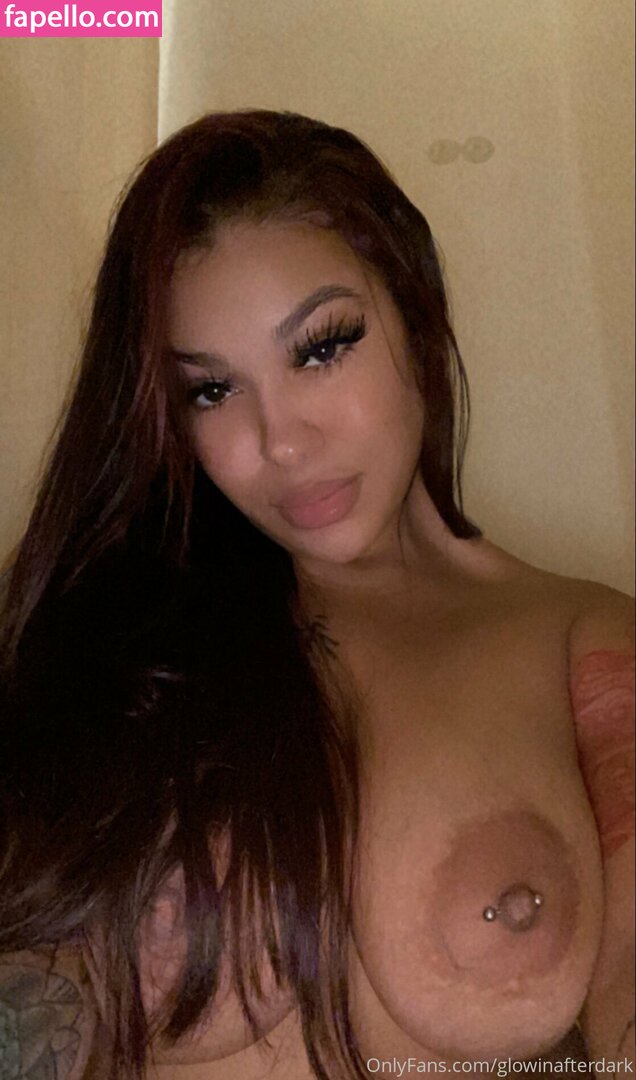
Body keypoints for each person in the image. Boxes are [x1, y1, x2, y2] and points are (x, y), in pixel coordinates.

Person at [0, 109, 633, 1080]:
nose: (282, 441)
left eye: (322, 347)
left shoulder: (580, 640)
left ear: (416, 315)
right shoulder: (109, 642)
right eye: (210, 391)